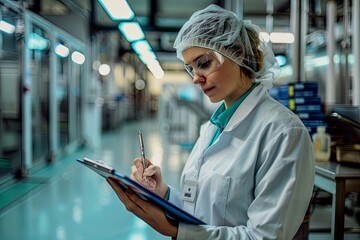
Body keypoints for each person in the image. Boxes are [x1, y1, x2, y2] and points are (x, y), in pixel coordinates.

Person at [107, 4, 315, 240]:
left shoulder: (284, 133)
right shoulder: (213, 127)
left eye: (204, 63)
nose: (196, 78)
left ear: (238, 53)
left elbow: (264, 236)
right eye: (191, 68)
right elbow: (200, 209)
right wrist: (162, 193)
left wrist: (175, 231)